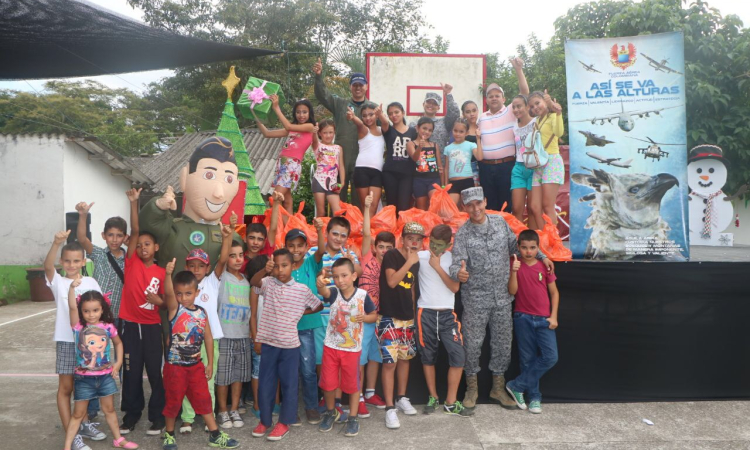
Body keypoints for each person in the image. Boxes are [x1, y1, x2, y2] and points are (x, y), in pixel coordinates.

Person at [449, 187, 554, 411]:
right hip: (476, 298)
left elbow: (518, 246)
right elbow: (456, 262)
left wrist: (543, 256)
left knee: (502, 344)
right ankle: (472, 388)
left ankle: (497, 388)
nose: (475, 209)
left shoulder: (499, 223)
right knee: (473, 344)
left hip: (503, 297)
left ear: (485, 201)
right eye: (470, 205)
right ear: (464, 208)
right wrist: (459, 273)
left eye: (479, 203)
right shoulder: (463, 234)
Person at [160, 261, 240, 450]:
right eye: (179, 293)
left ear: (196, 293)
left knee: (204, 399)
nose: (183, 298)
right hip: (175, 366)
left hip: (196, 365)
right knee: (173, 401)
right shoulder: (175, 310)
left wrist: (210, 363)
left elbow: (209, 338)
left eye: (188, 293)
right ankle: (169, 435)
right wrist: (167, 275)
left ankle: (215, 434)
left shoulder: (202, 313)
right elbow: (169, 294)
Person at [250, 249, 324, 441]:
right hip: (268, 343)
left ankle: (284, 422)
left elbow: (318, 306)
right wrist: (264, 271)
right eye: (277, 266)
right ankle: (265, 422)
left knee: (290, 385)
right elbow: (253, 282)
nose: (280, 270)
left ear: (292, 266)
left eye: (285, 265)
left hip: (290, 346)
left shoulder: (301, 289)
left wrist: (299, 313)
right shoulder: (267, 283)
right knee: (266, 384)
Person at [45, 229, 104, 450]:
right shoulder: (58, 282)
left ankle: (84, 424)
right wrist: (55, 242)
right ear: (62, 261)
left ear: (83, 261)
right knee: (66, 388)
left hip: (89, 344)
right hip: (66, 342)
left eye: (76, 260)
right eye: (67, 261)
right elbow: (48, 267)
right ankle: (72, 431)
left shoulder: (91, 282)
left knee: (84, 388)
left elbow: (100, 312)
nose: (71, 264)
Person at [272, 191, 327, 424]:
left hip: (307, 327)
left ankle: (312, 407)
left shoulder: (311, 264)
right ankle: (290, 409)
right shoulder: (283, 268)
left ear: (306, 247)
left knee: (307, 370)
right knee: (289, 372)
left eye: (300, 245)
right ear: (286, 248)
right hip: (287, 329)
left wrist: (321, 230)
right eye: (291, 245)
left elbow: (322, 251)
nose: (295, 250)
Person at [177, 213, 235, 434]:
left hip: (211, 341)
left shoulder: (212, 281)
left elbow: (222, 260)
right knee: (187, 381)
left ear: (206, 267)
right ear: (187, 266)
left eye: (200, 266)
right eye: (192, 266)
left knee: (207, 378)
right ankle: (188, 418)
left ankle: (206, 414)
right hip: (187, 342)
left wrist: (226, 237)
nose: (196, 270)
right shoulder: (183, 287)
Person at [62, 288, 138, 450]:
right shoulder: (77, 327)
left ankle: (118, 439)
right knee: (78, 414)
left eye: (95, 310)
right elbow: (72, 307)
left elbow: (118, 343)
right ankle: (67, 446)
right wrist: (71, 289)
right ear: (81, 311)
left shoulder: (108, 327)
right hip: (84, 379)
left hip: (105, 377)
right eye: (86, 311)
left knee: (109, 409)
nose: (91, 314)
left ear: (102, 309)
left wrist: (117, 365)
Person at [118, 188, 167, 436]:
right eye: (140, 245)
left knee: (155, 373)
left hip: (151, 328)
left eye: (148, 244)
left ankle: (157, 416)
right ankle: (131, 414)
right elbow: (135, 231)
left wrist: (158, 300)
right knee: (131, 371)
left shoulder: (162, 273)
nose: (143, 247)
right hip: (129, 325)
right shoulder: (132, 262)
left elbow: (169, 303)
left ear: (156, 247)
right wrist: (134, 203)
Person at [74, 202, 127, 422]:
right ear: (104, 235)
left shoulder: (128, 258)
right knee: (92, 359)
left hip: (120, 317)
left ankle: (117, 400)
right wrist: (83, 215)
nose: (115, 239)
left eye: (119, 235)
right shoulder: (98, 254)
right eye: (111, 235)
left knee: (116, 360)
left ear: (125, 237)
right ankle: (92, 407)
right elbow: (82, 239)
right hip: (97, 317)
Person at [315, 258, 377, 437]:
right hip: (331, 347)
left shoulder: (363, 296)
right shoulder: (334, 293)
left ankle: (353, 417)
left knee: (352, 385)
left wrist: (364, 318)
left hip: (352, 349)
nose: (340, 280)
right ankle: (331, 411)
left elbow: (374, 315)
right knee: (328, 383)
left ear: (354, 275)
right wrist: (320, 283)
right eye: (336, 276)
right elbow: (324, 291)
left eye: (344, 275)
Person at [416, 225, 471, 417]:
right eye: (432, 243)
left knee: (458, 356)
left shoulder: (453, 259)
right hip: (425, 312)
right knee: (427, 357)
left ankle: (450, 402)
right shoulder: (421, 256)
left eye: (439, 245)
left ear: (449, 244)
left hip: (448, 314)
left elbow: (455, 288)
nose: (434, 248)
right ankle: (433, 397)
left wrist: (437, 266)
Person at [505, 230, 560, 414]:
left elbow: (554, 293)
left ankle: (516, 385)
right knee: (527, 359)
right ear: (518, 247)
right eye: (524, 247)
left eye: (532, 248)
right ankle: (534, 397)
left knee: (550, 356)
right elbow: (512, 291)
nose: (528, 251)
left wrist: (554, 316)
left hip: (544, 319)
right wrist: (513, 272)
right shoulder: (514, 263)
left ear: (538, 248)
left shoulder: (545, 266)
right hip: (522, 317)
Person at [378, 222, 424, 429]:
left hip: (407, 319)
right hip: (389, 317)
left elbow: (412, 289)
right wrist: (409, 261)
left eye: (418, 239)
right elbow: (391, 282)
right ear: (402, 239)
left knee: (405, 359)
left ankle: (401, 397)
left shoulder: (416, 262)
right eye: (410, 238)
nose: (414, 242)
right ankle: (389, 409)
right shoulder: (392, 256)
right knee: (390, 363)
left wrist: (413, 316)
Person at [307, 217, 363, 375]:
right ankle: (323, 393)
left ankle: (334, 397)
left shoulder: (348, 254)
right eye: (335, 234)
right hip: (319, 313)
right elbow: (305, 275)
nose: (338, 239)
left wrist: (351, 262)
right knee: (320, 357)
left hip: (341, 316)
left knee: (338, 355)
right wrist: (319, 273)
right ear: (326, 233)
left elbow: (359, 272)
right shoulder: (314, 252)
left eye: (343, 236)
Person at [313, 57, 369, 202]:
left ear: (366, 87)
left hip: (362, 158)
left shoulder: (372, 108)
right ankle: (338, 223)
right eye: (354, 85)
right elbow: (323, 96)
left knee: (359, 199)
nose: (358, 88)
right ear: (350, 87)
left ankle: (359, 224)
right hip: (339, 159)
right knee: (338, 195)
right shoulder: (340, 103)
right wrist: (319, 77)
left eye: (361, 85)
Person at [477, 57, 529, 211]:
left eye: (497, 95)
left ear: (504, 99)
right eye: (490, 96)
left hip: (506, 166)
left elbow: (525, 93)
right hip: (485, 168)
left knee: (507, 206)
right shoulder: (482, 117)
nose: (494, 98)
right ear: (486, 100)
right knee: (490, 207)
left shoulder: (510, 111)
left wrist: (518, 70)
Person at [356, 192, 392, 415]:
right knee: (360, 358)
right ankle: (357, 396)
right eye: (381, 247)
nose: (384, 251)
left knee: (375, 356)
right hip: (363, 317)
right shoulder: (366, 258)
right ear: (375, 247)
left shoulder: (393, 265)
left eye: (389, 248)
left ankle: (369, 392)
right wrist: (368, 208)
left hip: (381, 318)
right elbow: (366, 232)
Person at [254, 94, 317, 214]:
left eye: (304, 112)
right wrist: (257, 117)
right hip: (282, 165)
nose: (301, 115)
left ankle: (276, 228)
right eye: (298, 112)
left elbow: (287, 125)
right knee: (287, 201)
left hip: (291, 165)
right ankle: (288, 229)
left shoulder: (310, 127)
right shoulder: (292, 130)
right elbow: (267, 133)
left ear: (310, 113)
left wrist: (276, 108)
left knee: (274, 198)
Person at [215, 236, 252, 429]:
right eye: (232, 256)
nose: (238, 259)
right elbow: (220, 262)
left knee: (238, 376)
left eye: (240, 255)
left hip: (243, 335)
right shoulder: (221, 277)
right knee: (223, 376)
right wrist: (227, 236)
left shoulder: (246, 280)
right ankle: (222, 411)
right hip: (225, 335)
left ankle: (234, 409)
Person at [527, 90, 565, 227]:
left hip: (552, 162)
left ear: (545, 101)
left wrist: (558, 113)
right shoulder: (536, 121)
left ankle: (553, 243)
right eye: (532, 106)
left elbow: (559, 133)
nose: (535, 107)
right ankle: (544, 239)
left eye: (537, 103)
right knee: (535, 206)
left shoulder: (553, 116)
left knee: (548, 206)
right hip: (538, 164)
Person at [348, 102, 386, 218]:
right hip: (362, 171)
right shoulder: (363, 130)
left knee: (374, 206)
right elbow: (359, 124)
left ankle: (370, 232)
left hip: (377, 172)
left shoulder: (382, 130)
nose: (368, 118)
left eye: (371, 114)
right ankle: (366, 234)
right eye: (364, 115)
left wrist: (380, 114)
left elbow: (386, 123)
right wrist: (354, 117)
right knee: (366, 206)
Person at [381, 102, 417, 213]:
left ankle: (401, 229)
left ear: (403, 113)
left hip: (407, 173)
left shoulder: (413, 131)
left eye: (396, 112)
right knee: (391, 205)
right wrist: (379, 113)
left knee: (404, 205)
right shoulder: (388, 129)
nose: (394, 115)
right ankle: (391, 229)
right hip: (390, 172)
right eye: (390, 114)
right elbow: (384, 121)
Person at [510, 94, 538, 229]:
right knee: (516, 209)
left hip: (534, 168)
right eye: (514, 107)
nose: (516, 109)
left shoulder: (536, 122)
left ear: (527, 107)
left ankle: (532, 243)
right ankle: (519, 242)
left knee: (533, 210)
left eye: (519, 106)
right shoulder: (514, 126)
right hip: (518, 168)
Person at [444, 118, 484, 207]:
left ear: (466, 133)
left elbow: (480, 157)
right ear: (452, 131)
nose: (458, 134)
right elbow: (446, 168)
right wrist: (446, 184)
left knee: (468, 209)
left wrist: (478, 139)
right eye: (455, 131)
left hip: (467, 181)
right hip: (453, 183)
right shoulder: (448, 148)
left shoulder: (471, 145)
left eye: (461, 131)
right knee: (451, 209)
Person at [407, 118, 443, 210]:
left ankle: (435, 224)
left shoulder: (434, 145)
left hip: (434, 179)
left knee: (435, 204)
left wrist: (443, 185)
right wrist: (419, 147)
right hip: (419, 180)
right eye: (424, 128)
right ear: (417, 128)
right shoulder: (411, 144)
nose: (427, 132)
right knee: (421, 209)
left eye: (430, 130)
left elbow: (440, 167)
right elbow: (415, 158)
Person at [408, 85, 459, 149]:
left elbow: (454, 114)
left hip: (441, 158)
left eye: (435, 103)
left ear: (438, 108)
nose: (431, 105)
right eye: (428, 102)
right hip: (419, 158)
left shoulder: (444, 122)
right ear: (423, 104)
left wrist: (448, 94)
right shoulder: (414, 124)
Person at [312, 119, 345, 216]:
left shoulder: (338, 148)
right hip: (319, 181)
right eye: (325, 133)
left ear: (334, 132)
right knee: (321, 212)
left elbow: (341, 166)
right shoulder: (318, 145)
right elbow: (314, 140)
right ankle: (318, 231)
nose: (328, 135)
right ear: (320, 133)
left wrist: (342, 183)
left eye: (331, 132)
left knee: (338, 212)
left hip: (333, 183)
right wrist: (313, 132)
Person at [461, 100, 482, 186]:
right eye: (468, 112)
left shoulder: (483, 127)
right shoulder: (462, 131)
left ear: (478, 111)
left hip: (483, 165)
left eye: (474, 110)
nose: (472, 114)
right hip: (467, 167)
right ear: (463, 114)